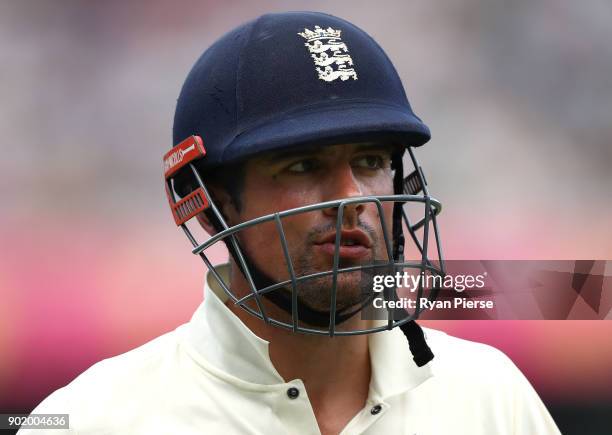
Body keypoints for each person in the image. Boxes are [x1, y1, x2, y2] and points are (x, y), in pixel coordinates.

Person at [20, 11, 561, 435]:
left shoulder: (492, 399)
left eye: (370, 162)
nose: (352, 199)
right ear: (210, 203)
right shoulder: (97, 420)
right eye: (302, 166)